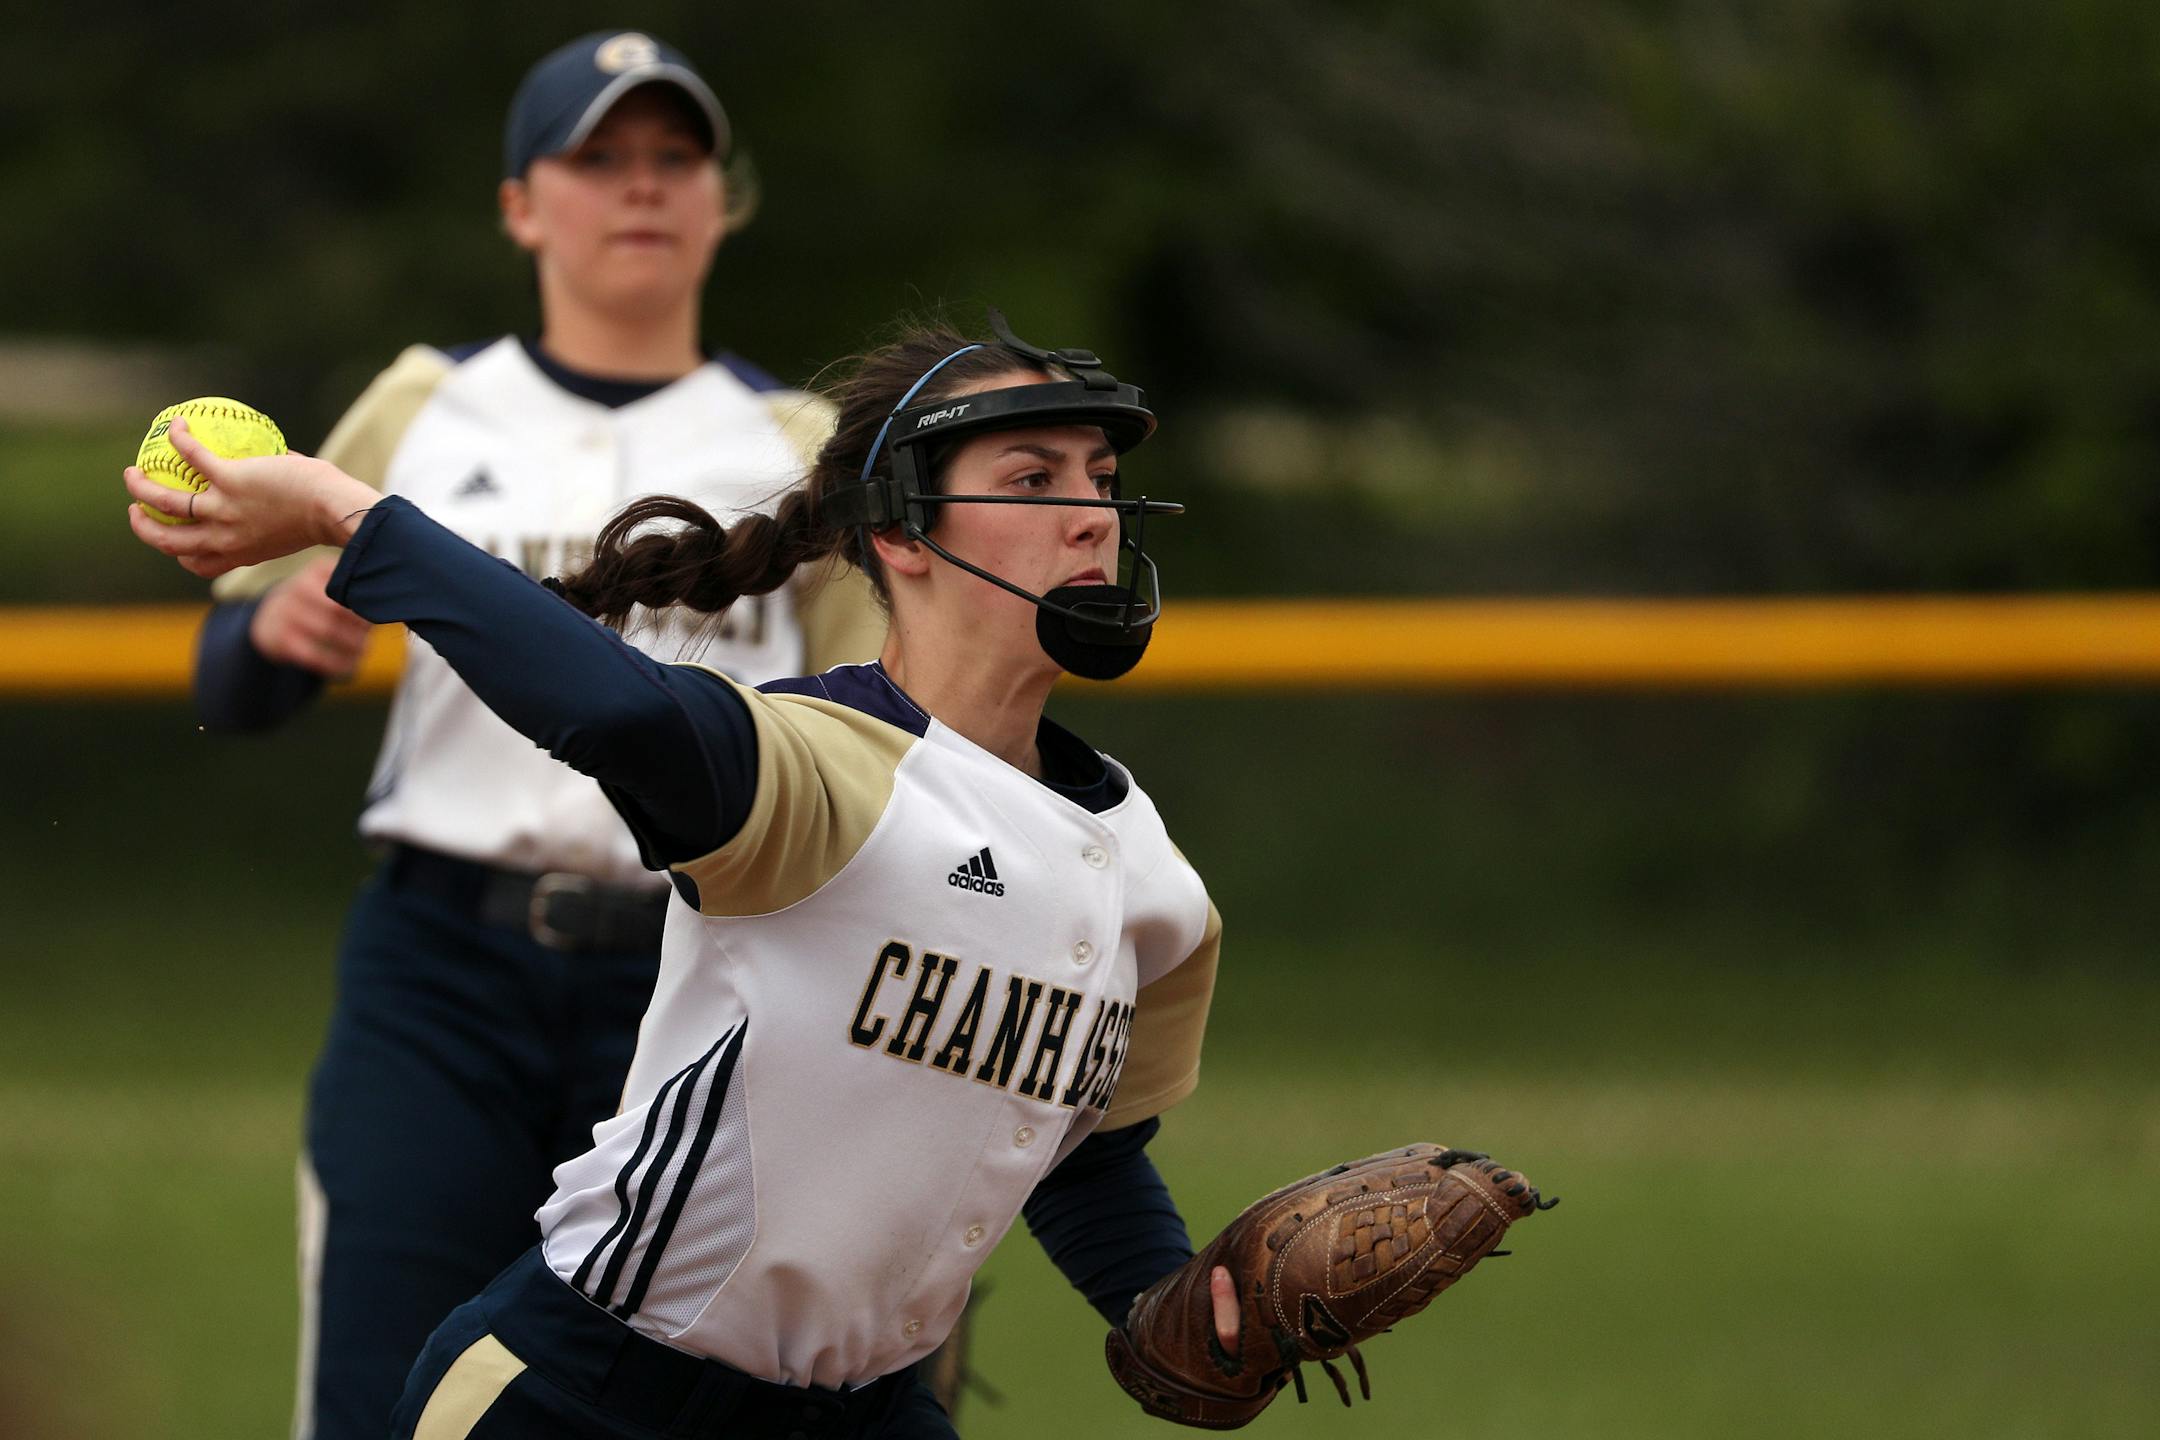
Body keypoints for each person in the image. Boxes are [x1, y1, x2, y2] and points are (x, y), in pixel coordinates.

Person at [127, 313, 1235, 1439]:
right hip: (591, 1401)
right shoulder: (821, 766)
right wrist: (344, 514)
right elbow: (614, 707)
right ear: (902, 531)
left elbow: (1085, 1157)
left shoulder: (1156, 886)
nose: (1091, 511)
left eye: (1098, 475)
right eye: (1033, 476)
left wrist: (1177, 1307)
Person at [189, 31, 882, 1440]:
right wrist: (271, 637)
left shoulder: (796, 438)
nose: (641, 188)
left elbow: (871, 754)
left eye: (674, 158)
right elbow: (235, 668)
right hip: (441, 975)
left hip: (698, 994)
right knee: (385, 1388)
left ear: (720, 199)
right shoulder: (426, 404)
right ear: (521, 205)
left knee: (677, 1407)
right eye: (599, 157)